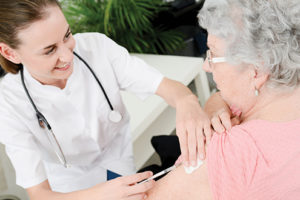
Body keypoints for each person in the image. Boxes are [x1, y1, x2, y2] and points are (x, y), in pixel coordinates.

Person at [0, 0, 233, 199]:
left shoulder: (97, 48)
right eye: (49, 50)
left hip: (120, 165)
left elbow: (166, 87)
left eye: (67, 35)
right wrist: (99, 195)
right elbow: (39, 193)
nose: (67, 54)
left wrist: (187, 102)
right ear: (10, 53)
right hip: (70, 191)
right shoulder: (8, 103)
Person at [145, 0, 300, 199]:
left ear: (257, 70)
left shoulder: (235, 153)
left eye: (214, 55)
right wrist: (216, 103)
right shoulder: (280, 88)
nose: (206, 67)